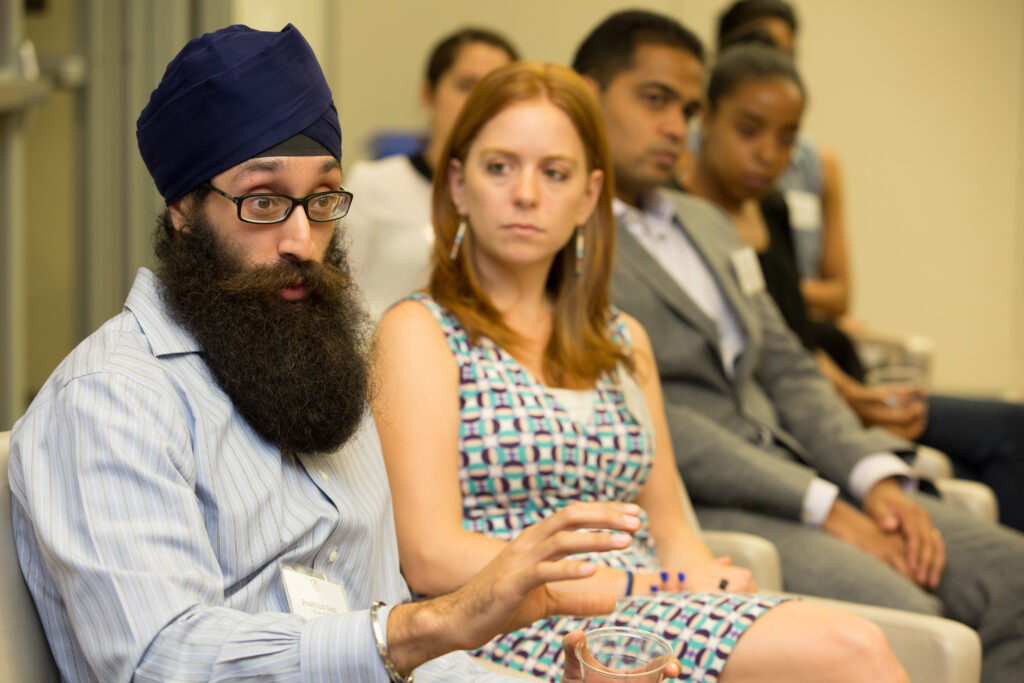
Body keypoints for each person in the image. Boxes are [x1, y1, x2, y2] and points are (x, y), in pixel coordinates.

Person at [6, 24, 675, 683]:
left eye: (322, 199)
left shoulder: (323, 375)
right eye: (264, 200)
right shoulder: (111, 399)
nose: (302, 237)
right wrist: (429, 621)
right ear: (182, 208)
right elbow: (162, 661)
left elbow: (404, 657)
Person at [371, 59, 907, 683]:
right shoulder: (420, 331)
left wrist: (708, 582)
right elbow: (431, 556)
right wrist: (650, 581)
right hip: (509, 626)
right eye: (499, 167)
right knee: (852, 649)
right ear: (459, 186)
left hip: (651, 611)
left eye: (554, 173)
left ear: (588, 196)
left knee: (851, 646)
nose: (525, 193)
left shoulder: (623, 340)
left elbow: (671, 526)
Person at [571, 9, 1024, 683]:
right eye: (655, 98)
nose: (676, 127)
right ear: (586, 92)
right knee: (918, 616)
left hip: (814, 472)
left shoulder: (707, 221)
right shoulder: (574, 238)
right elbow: (658, 419)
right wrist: (824, 503)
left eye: (688, 107)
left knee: (1013, 574)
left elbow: (788, 367)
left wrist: (876, 481)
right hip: (720, 503)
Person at [712, 0, 1024, 533]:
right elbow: (777, 357)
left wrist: (858, 395)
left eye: (786, 137)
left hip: (830, 377)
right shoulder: (694, 220)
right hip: (801, 406)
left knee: (989, 454)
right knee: (1001, 438)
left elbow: (796, 338)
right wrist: (852, 401)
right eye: (750, 129)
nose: (769, 153)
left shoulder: (773, 206)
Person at [346, 27, 519, 318]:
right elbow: (334, 294)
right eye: (466, 85)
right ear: (428, 94)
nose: (481, 102)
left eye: (495, 90)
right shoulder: (374, 183)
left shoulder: (519, 196)